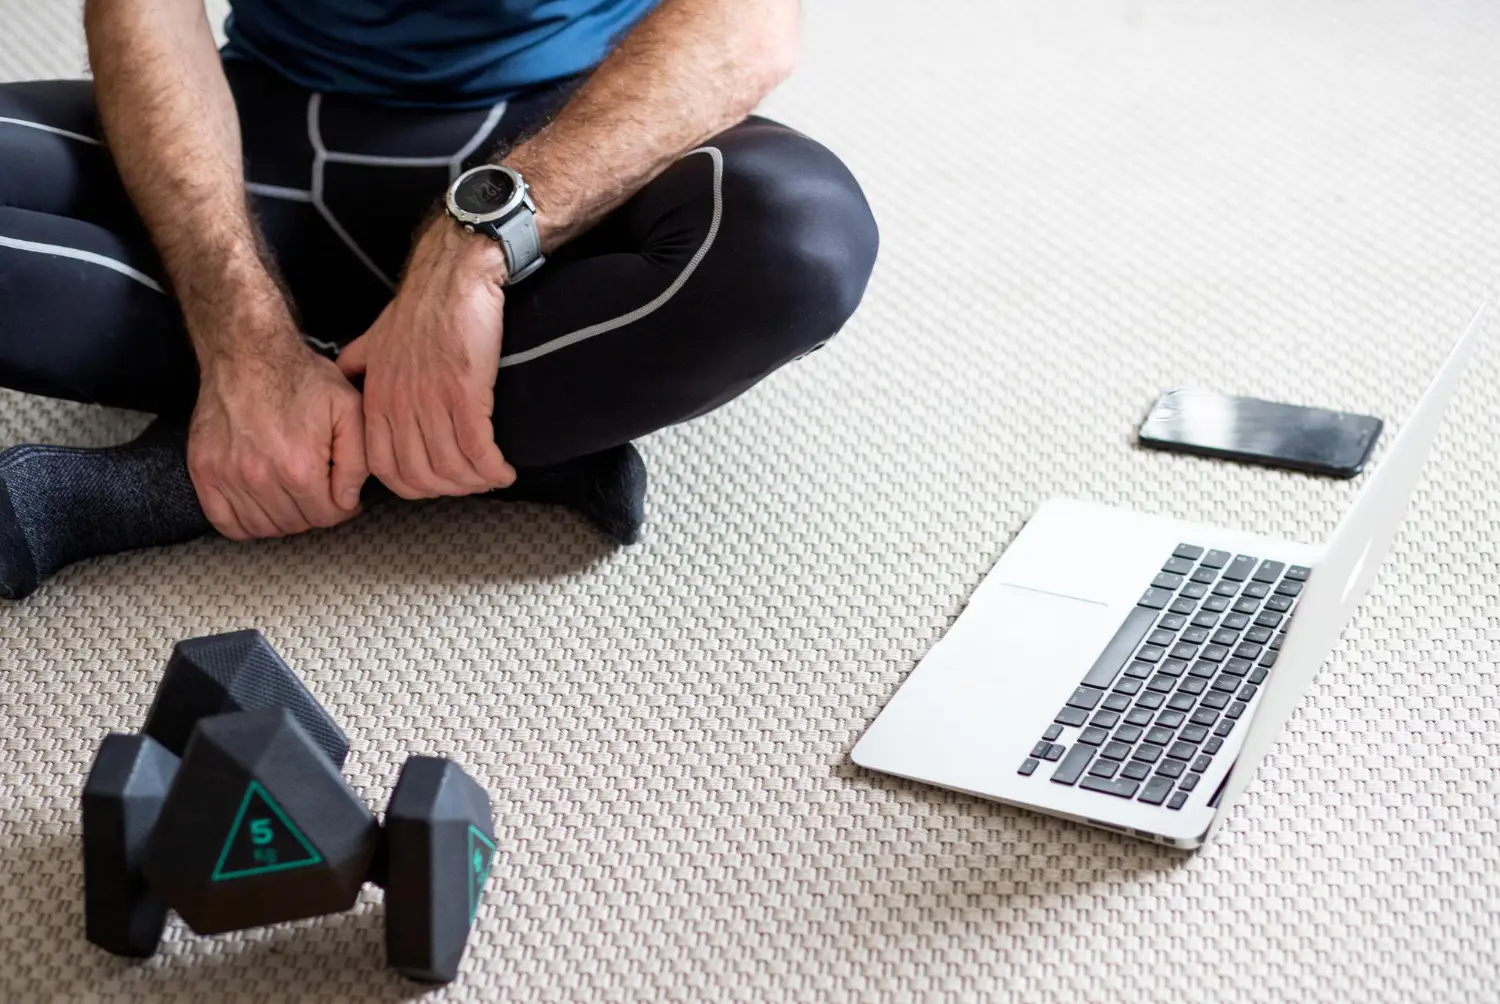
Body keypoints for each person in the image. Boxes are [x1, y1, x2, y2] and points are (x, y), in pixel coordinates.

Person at [0, 0, 879, 600]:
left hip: (569, 142)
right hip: (265, 142)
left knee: (801, 243)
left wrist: (476, 245)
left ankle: (175, 485)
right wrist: (243, 340)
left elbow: (748, 23)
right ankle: (506, 427)